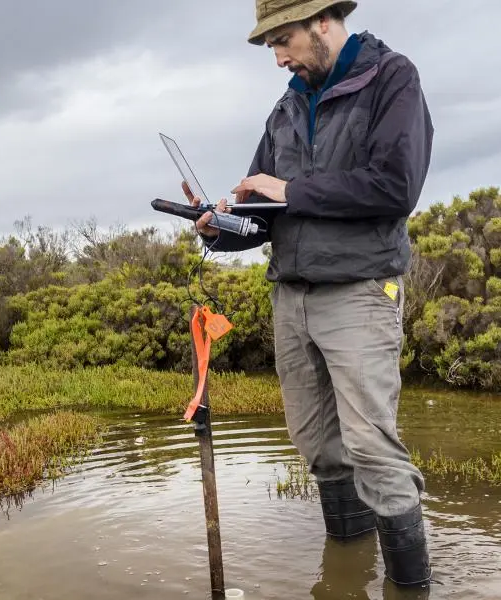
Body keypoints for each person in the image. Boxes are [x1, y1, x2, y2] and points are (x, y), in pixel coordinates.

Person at [184, 0, 435, 588]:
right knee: (318, 445)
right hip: (291, 298)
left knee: (372, 447)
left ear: (323, 21)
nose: (277, 58)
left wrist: (291, 190)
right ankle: (347, 572)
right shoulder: (287, 105)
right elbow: (264, 208)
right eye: (270, 45)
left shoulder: (392, 77)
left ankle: (411, 588)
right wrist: (221, 225)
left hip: (360, 291)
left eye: (283, 40)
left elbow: (396, 186)